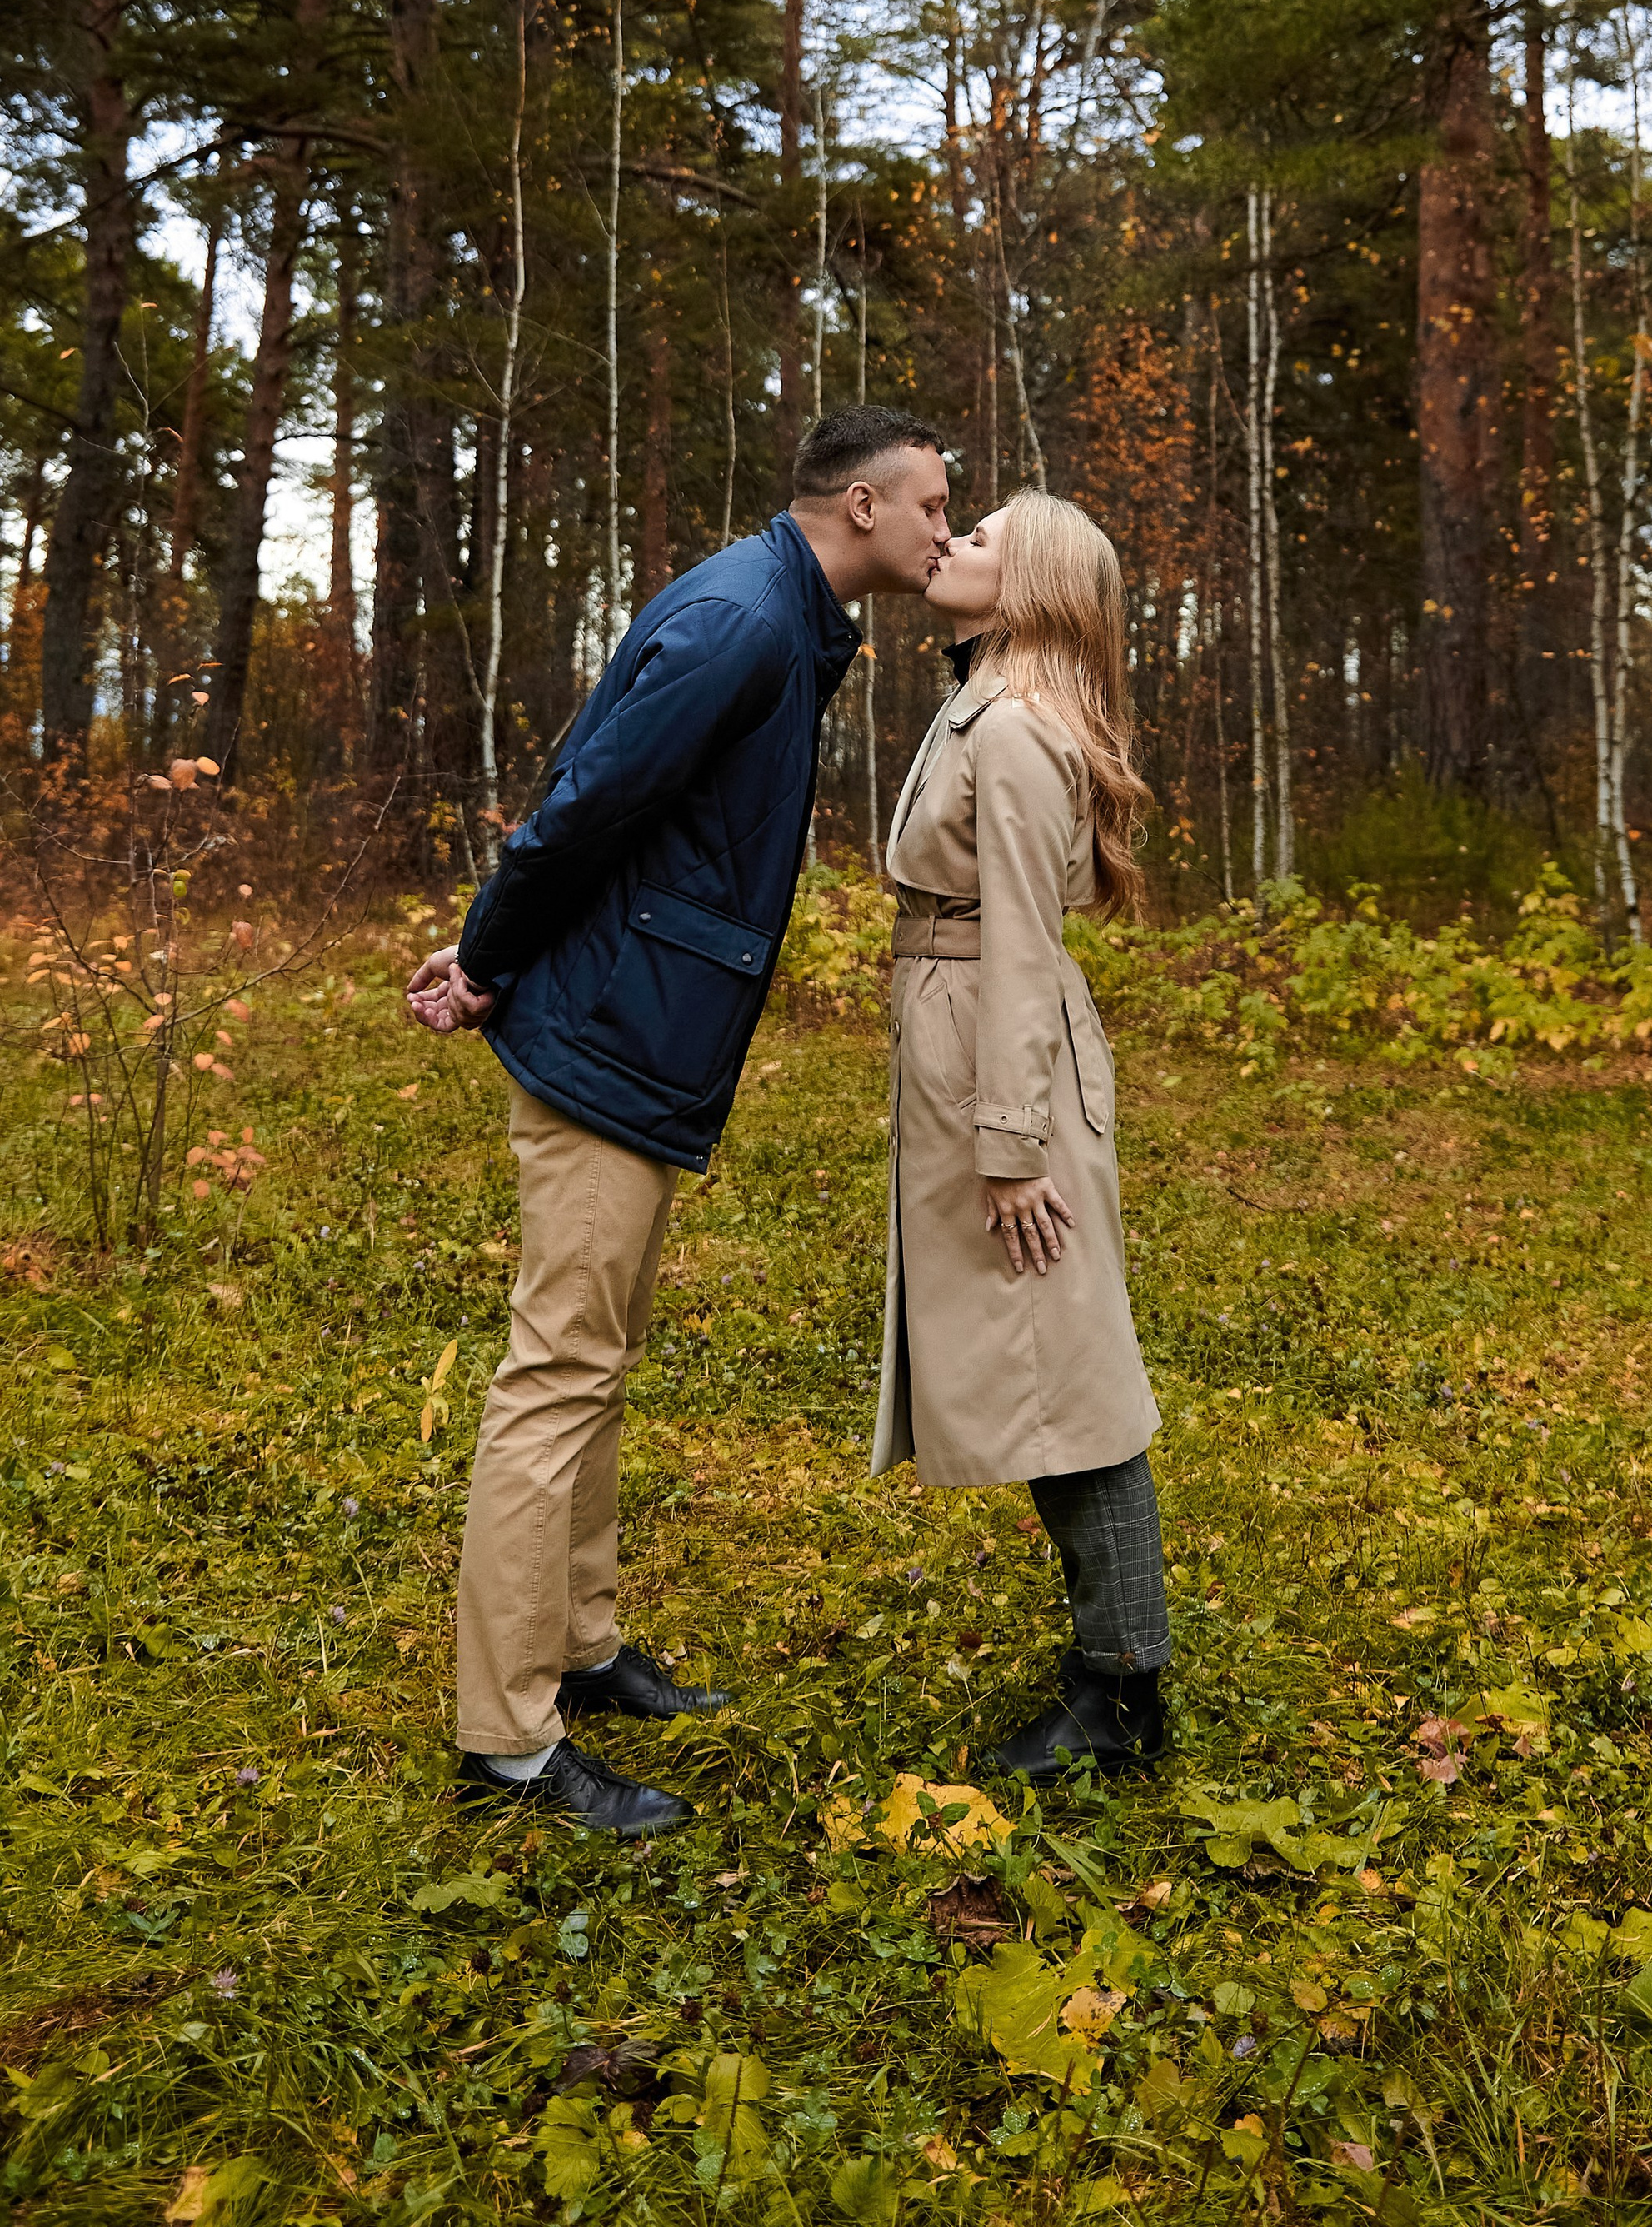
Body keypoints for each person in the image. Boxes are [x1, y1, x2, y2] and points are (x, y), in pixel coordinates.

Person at [403, 405, 950, 1837]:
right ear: (860, 508)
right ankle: (508, 1745)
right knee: (559, 1371)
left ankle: (579, 1652)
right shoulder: (742, 624)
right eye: (935, 509)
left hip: (635, 1024)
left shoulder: (787, 613)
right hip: (603, 1029)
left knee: (601, 1354)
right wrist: (487, 958)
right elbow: (582, 805)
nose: (947, 535)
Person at [874, 489, 1171, 1779]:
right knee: (1047, 1369)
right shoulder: (987, 702)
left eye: (982, 537)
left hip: (1003, 1058)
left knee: (1071, 1381)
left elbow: (1020, 951)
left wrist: (1010, 1147)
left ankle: (1121, 1695)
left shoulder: (1015, 731)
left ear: (1036, 587)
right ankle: (1111, 1670)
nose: (953, 543)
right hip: (970, 1042)